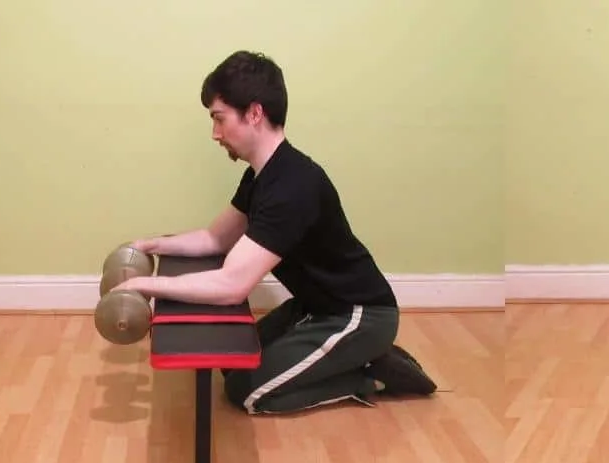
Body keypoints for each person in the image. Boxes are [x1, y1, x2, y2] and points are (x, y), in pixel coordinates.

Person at [112, 50, 436, 414]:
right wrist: (148, 245)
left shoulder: (293, 186)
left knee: (246, 392)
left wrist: (143, 285)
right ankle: (349, 356)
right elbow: (215, 239)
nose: (215, 134)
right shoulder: (261, 176)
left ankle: (369, 373)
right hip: (315, 307)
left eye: (219, 119)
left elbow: (232, 286)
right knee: (233, 358)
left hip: (358, 315)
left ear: (254, 113)